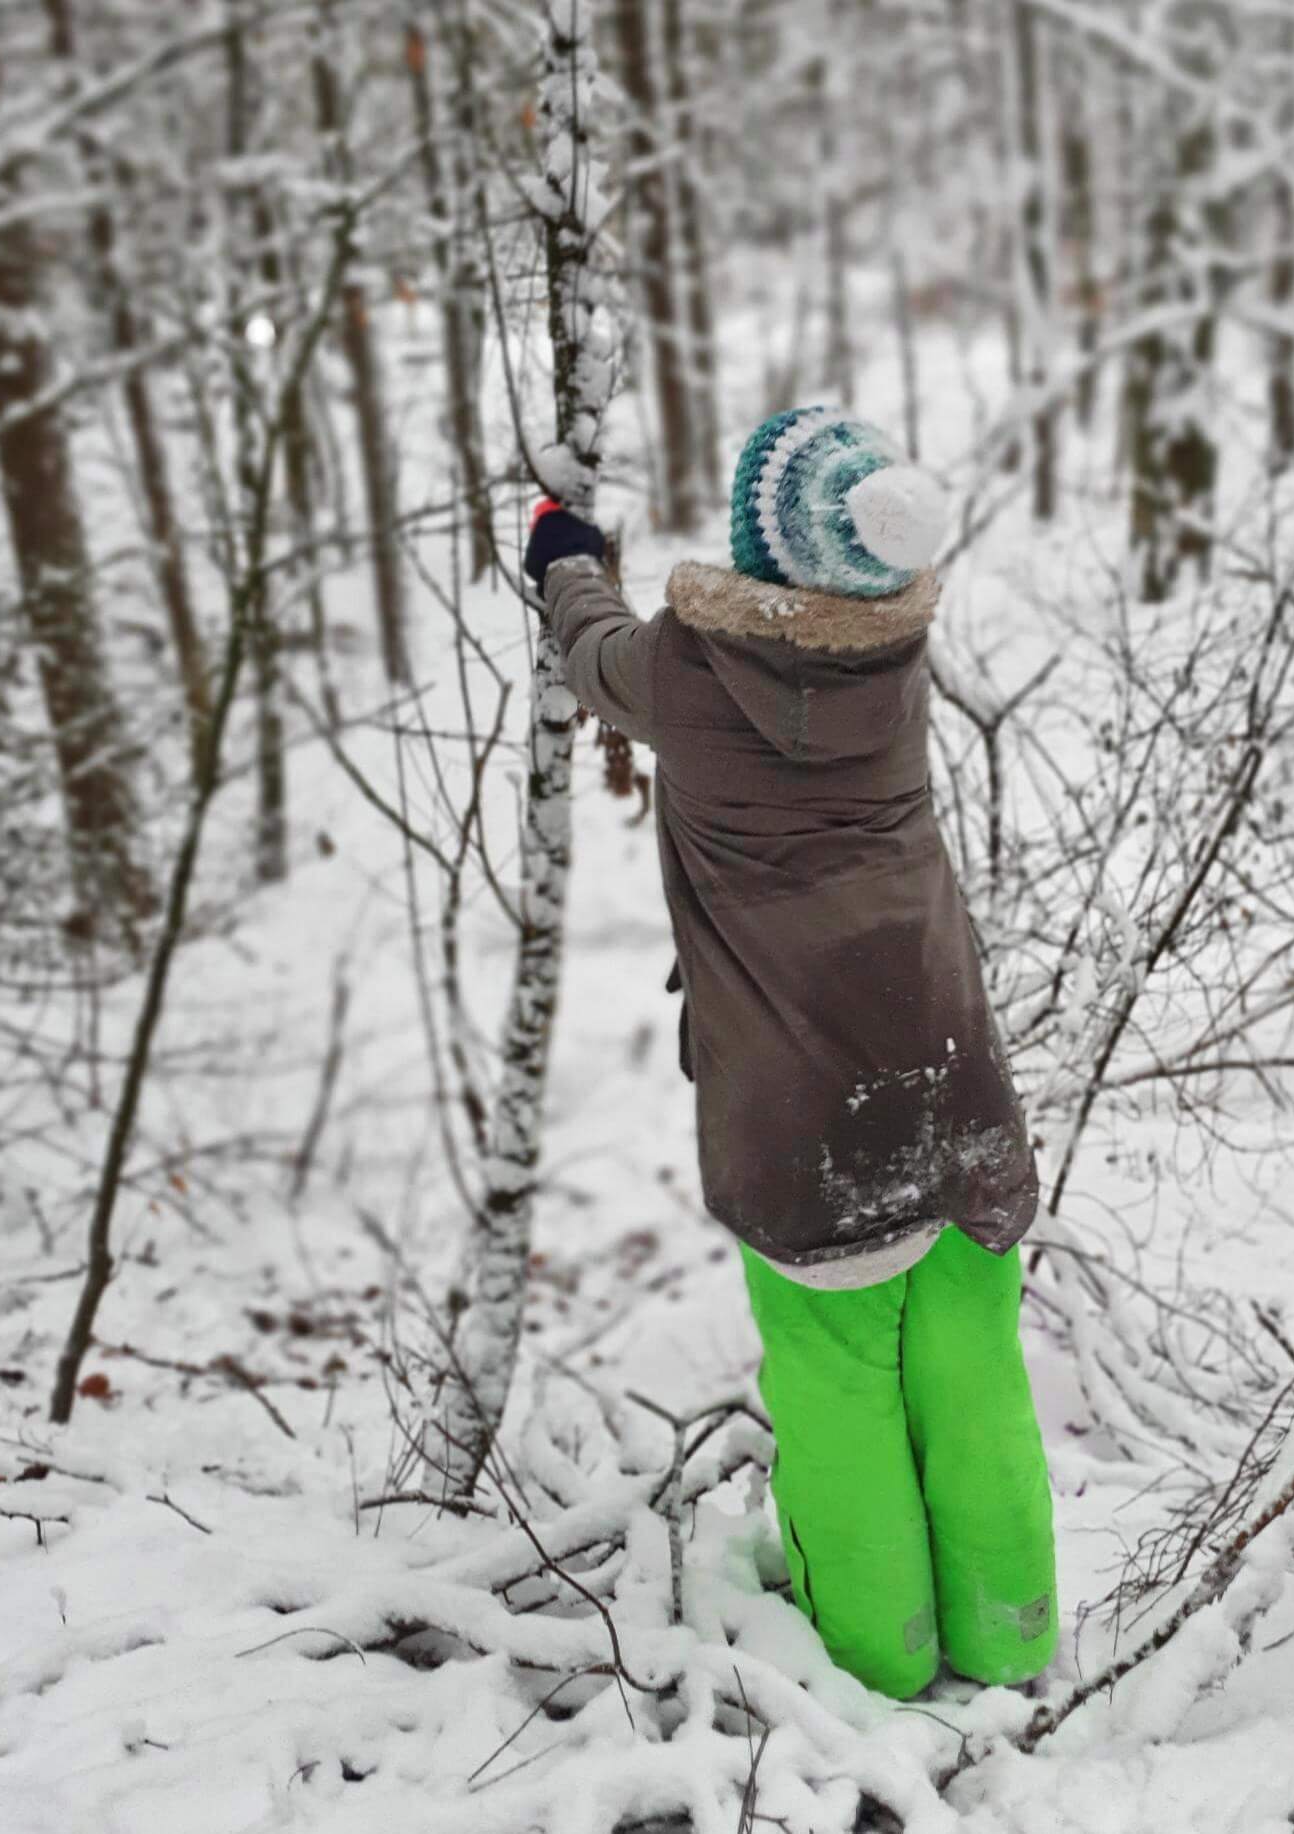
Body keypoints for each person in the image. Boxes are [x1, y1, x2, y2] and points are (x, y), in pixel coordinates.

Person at [522, 407, 1057, 1700]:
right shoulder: (897, 660)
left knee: (837, 1389)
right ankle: (1008, 1636)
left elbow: (592, 649)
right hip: (955, 1083)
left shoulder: (695, 671)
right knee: (972, 1370)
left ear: (771, 546)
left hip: (809, 1116)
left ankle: (875, 1659)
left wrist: (559, 550)